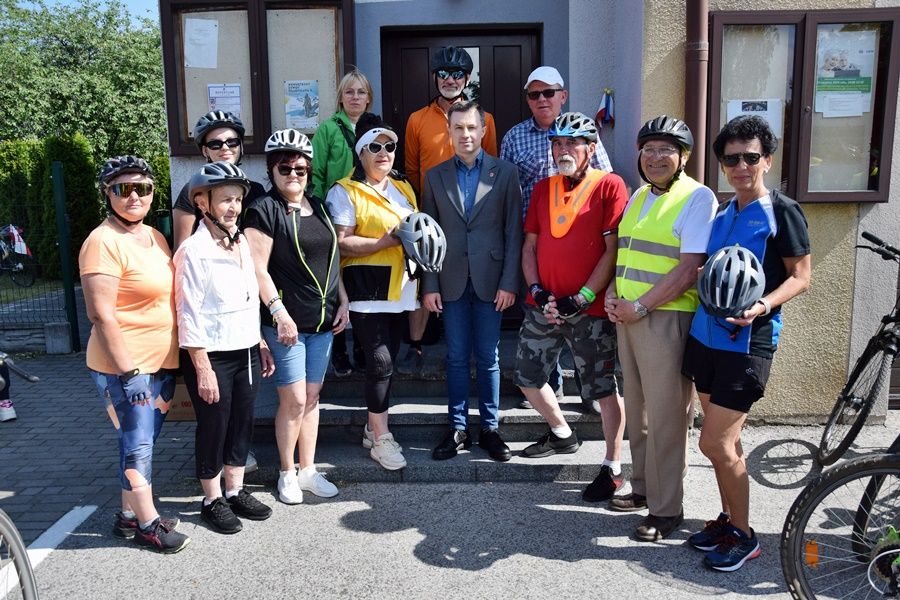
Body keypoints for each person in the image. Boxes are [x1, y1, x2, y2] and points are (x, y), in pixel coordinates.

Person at [682, 115, 811, 571]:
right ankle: (728, 517)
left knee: (714, 443)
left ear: (767, 160)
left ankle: (745, 534)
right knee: (725, 444)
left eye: (750, 157)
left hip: (748, 345)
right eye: (731, 158)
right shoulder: (722, 211)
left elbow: (801, 277)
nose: (740, 166)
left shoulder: (782, 211)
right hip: (704, 338)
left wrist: (763, 305)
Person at [605, 116, 717, 542]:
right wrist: (615, 297)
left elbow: (690, 268)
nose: (655, 157)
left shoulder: (697, 198)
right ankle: (643, 488)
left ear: (683, 156)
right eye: (648, 149)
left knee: (668, 415)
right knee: (639, 411)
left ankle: (667, 509)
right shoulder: (638, 196)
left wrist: (641, 305)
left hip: (665, 317)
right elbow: (627, 254)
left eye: (665, 150)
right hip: (629, 317)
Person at [514, 112, 627, 498]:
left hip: (590, 312)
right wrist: (539, 292)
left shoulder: (610, 185)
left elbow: (614, 251)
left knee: (602, 391)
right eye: (557, 143)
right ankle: (562, 432)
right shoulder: (544, 188)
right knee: (527, 378)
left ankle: (612, 466)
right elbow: (529, 246)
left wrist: (582, 297)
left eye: (572, 143)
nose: (563, 150)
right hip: (544, 306)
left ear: (590, 149)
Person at [79, 156, 189, 554]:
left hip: (160, 362)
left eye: (142, 188)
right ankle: (147, 524)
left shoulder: (154, 237)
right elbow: (100, 314)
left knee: (139, 440)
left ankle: (127, 516)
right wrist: (129, 374)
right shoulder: (102, 242)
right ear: (107, 194)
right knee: (137, 444)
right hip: (124, 366)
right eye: (122, 189)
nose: (134, 196)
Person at [243, 129, 349, 504]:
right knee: (292, 401)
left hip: (322, 323)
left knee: (313, 397)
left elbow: (332, 259)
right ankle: (286, 472)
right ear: (272, 170)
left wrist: (344, 301)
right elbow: (258, 269)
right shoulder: (264, 210)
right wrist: (278, 313)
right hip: (287, 326)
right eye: (285, 168)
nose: (294, 175)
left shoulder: (318, 206)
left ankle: (308, 470)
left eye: (301, 169)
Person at [500, 66, 613, 409]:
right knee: (542, 310)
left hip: (580, 245)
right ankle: (550, 384)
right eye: (534, 94)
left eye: (548, 92)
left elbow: (603, 181)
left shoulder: (587, 136)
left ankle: (588, 387)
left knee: (582, 320)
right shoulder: (514, 137)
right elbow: (506, 191)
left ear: (562, 95)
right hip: (536, 243)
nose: (542, 100)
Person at [174, 162, 276, 534]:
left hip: (246, 347)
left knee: (242, 423)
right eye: (224, 200)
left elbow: (249, 298)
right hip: (212, 354)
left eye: (237, 199)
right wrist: (201, 367)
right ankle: (211, 498)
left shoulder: (241, 241)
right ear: (203, 203)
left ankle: (235, 490)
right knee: (214, 426)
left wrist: (260, 339)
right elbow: (187, 312)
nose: (233, 207)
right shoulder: (193, 250)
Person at [420, 101, 522, 462]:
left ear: (482, 131)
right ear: (449, 133)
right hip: (449, 281)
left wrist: (510, 282)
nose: (465, 134)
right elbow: (427, 236)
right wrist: (429, 285)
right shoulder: (434, 176)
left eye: (471, 128)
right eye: (458, 128)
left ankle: (490, 429)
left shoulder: (505, 173)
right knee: (457, 357)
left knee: (489, 357)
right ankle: (458, 427)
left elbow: (514, 231)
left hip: (492, 281)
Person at [325, 113, 417, 471]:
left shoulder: (403, 188)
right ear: (361, 153)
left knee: (388, 360)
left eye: (390, 147)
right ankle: (381, 438)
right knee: (379, 361)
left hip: (401, 287)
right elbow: (342, 244)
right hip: (365, 288)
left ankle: (370, 426)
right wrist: (389, 240)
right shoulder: (344, 191)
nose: (384, 153)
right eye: (375, 147)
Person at [401, 46, 499, 375]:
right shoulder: (417, 119)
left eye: (458, 74)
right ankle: (417, 345)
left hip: (472, 215)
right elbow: (412, 169)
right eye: (443, 73)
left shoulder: (484, 120)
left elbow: (491, 169)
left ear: (467, 79)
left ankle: (466, 347)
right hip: (431, 211)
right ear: (434, 77)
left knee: (468, 277)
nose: (450, 80)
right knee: (425, 278)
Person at [312, 69, 375, 377]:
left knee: (363, 280)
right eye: (349, 92)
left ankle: (364, 348)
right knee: (336, 283)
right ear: (341, 97)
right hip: (335, 213)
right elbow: (318, 174)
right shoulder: (328, 128)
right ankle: (339, 352)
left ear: (369, 97)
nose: (355, 97)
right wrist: (320, 211)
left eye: (360, 92)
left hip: (367, 213)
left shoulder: (374, 127)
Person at [172, 111, 266, 250]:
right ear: (205, 151)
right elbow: (181, 249)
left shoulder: (256, 190)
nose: (225, 148)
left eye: (231, 142)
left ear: (240, 146)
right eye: (215, 144)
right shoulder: (192, 190)